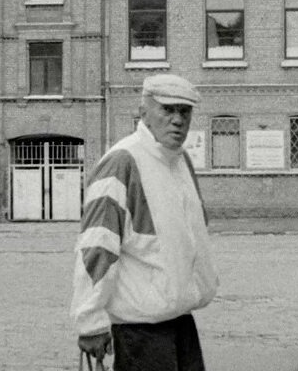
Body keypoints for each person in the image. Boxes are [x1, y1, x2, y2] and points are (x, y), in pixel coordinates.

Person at [71, 74, 219, 371]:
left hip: (179, 320)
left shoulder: (180, 161)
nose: (177, 120)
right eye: (167, 110)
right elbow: (97, 246)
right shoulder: (122, 162)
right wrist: (90, 322)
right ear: (144, 113)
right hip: (140, 329)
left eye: (185, 111)